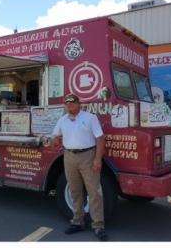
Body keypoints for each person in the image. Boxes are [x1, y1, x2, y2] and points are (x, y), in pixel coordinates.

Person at [51, 94, 107, 240]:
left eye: (72, 102)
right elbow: (55, 136)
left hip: (88, 156)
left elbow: (100, 139)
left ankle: (98, 225)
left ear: (78, 104)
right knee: (75, 190)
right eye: (67, 103)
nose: (69, 105)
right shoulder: (62, 120)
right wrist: (55, 140)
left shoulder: (90, 118)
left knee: (94, 191)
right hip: (69, 156)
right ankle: (77, 222)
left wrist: (97, 159)